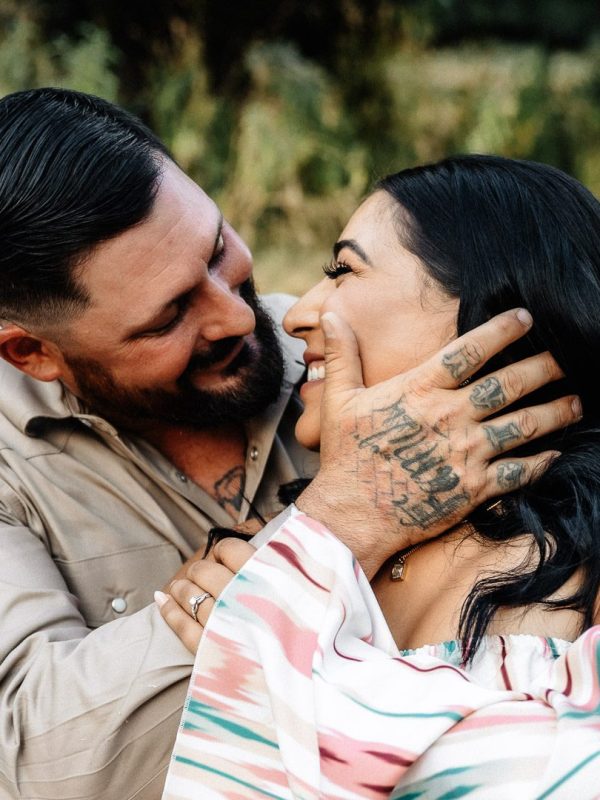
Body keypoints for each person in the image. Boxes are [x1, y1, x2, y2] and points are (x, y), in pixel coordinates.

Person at [0, 88, 575, 798]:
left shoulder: (351, 363)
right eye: (169, 316)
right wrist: (326, 537)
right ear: (31, 353)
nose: (242, 316)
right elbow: (30, 763)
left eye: (217, 250)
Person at [159, 155, 600, 798]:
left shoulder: (584, 577)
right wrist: (270, 600)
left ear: (484, 307)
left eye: (342, 270)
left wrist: (269, 639)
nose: (296, 314)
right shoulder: (280, 555)